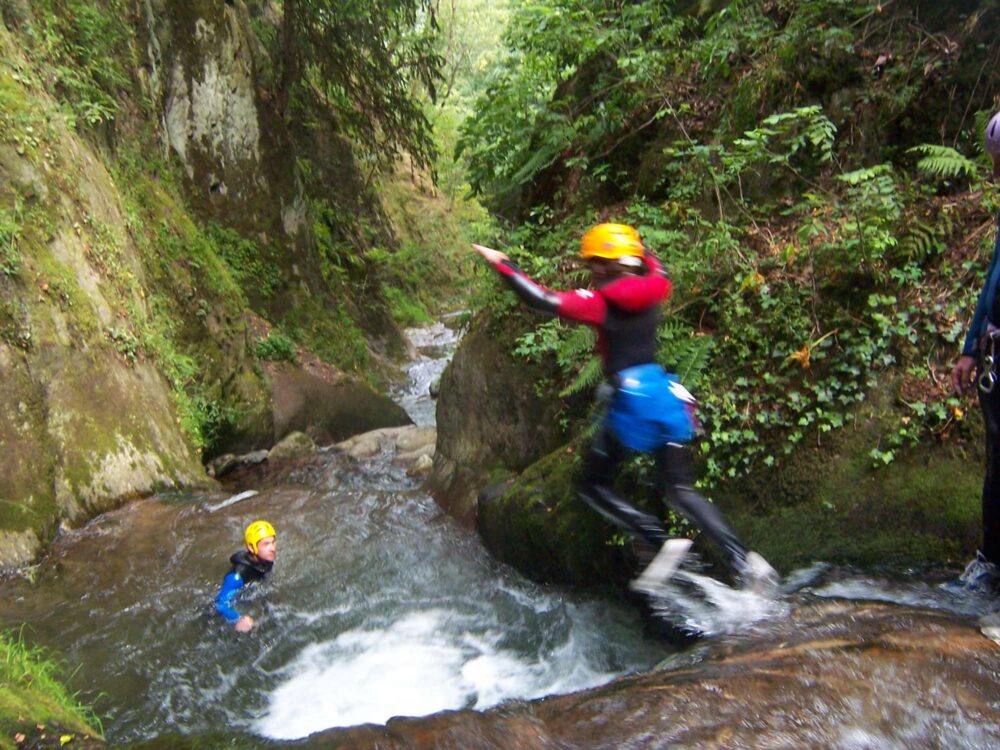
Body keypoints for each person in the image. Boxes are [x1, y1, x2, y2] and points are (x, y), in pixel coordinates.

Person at [472, 224, 777, 593]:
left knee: (593, 484)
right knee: (682, 491)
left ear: (602, 265)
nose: (590, 270)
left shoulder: (601, 301)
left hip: (631, 403)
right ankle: (744, 562)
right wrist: (641, 251)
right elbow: (656, 265)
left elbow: (541, 299)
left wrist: (505, 264)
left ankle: (658, 539)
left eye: (593, 263)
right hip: (667, 396)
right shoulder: (654, 285)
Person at [948, 111, 1000, 593]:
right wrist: (969, 348)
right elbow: (991, 284)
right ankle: (990, 563)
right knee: (997, 461)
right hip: (997, 354)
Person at [216, 519, 277, 632]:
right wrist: (237, 619)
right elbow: (220, 604)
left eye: (273, 542)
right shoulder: (237, 576)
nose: (272, 548)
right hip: (226, 615)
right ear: (251, 547)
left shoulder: (265, 560)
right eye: (266, 544)